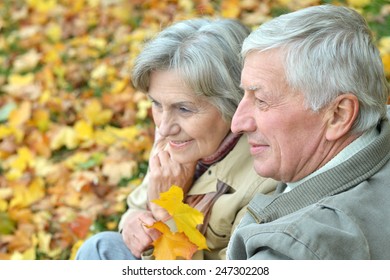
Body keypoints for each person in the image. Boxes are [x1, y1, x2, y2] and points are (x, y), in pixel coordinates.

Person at [75, 18, 277, 260]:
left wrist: (166, 213)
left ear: (233, 103)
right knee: (99, 247)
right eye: (156, 104)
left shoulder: (264, 178)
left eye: (184, 109)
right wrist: (131, 224)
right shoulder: (182, 138)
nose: (164, 127)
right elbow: (137, 207)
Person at [226, 4, 390, 260]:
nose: (237, 123)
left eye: (261, 101)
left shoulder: (295, 252)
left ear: (339, 115)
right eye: (244, 95)